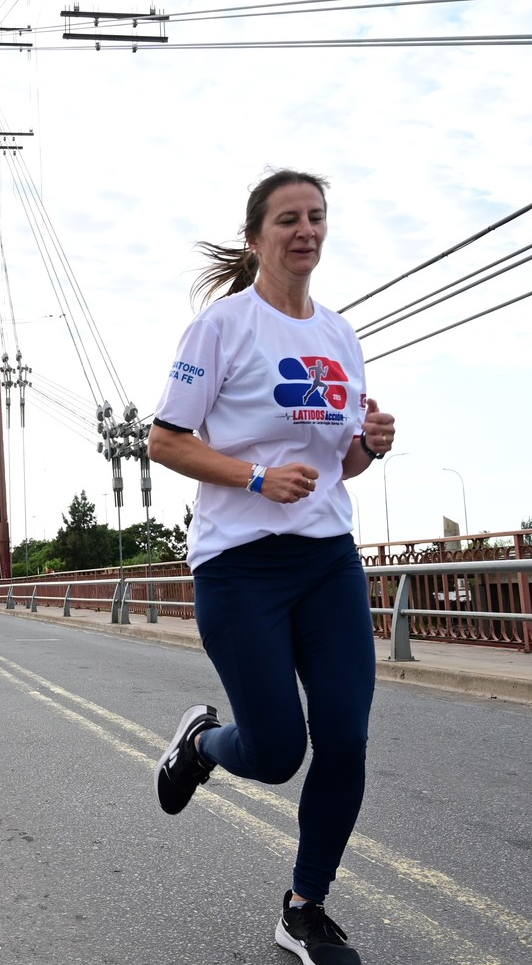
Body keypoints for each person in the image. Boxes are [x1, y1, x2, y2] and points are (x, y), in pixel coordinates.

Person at [147, 169, 396, 965]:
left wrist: (368, 445)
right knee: (276, 751)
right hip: (239, 567)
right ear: (255, 238)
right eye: (287, 218)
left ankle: (303, 908)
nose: (305, 230)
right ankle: (200, 746)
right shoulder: (221, 328)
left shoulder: (340, 335)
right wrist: (255, 477)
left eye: (315, 217)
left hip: (327, 561)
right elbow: (165, 440)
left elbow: (337, 463)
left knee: (345, 740)